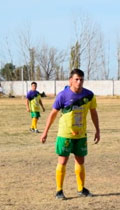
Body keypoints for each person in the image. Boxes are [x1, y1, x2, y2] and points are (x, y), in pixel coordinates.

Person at [40, 68, 100, 200]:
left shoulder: (89, 95)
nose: (79, 82)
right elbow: (53, 114)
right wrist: (45, 131)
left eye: (81, 79)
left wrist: (97, 130)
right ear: (71, 80)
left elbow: (93, 113)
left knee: (80, 160)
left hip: (81, 134)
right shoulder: (63, 95)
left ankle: (81, 188)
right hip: (65, 134)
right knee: (63, 160)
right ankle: (59, 190)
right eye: (76, 79)